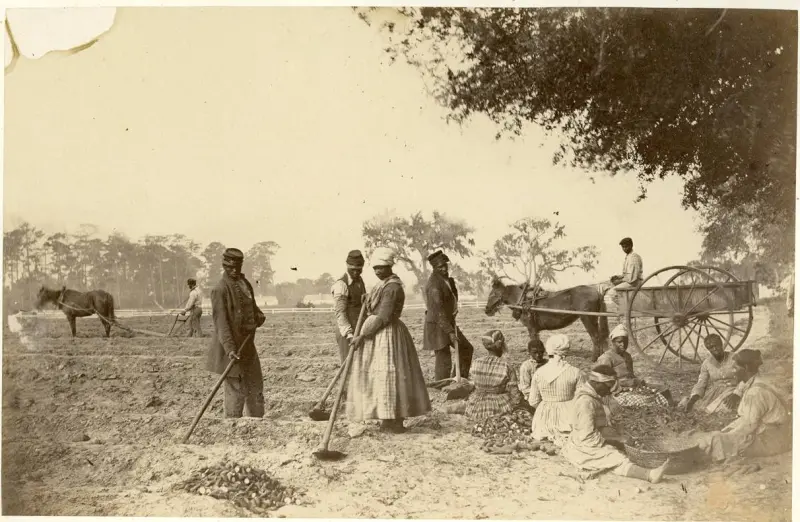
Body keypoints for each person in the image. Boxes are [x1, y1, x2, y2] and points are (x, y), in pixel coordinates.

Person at [347, 247, 431, 433]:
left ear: (390, 266)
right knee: (380, 378)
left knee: (391, 376)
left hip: (387, 333)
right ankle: (386, 418)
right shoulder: (383, 284)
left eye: (382, 267)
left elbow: (383, 316)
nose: (378, 271)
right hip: (377, 334)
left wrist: (362, 335)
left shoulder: (393, 287)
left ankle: (396, 420)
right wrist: (367, 300)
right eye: (375, 268)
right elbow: (376, 305)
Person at [560, 365, 670, 483]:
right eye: (608, 386)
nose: (610, 391)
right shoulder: (586, 402)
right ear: (597, 383)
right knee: (615, 457)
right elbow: (587, 435)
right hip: (583, 444)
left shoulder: (592, 395)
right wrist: (616, 440)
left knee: (618, 449)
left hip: (590, 436)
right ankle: (649, 475)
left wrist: (616, 435)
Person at [694, 349, 792, 462]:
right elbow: (748, 419)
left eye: (735, 368)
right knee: (719, 436)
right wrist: (726, 430)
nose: (732, 371)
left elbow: (748, 427)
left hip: (773, 440)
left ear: (746, 368)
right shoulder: (755, 382)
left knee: (717, 440)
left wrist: (724, 436)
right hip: (775, 433)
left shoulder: (755, 392)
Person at [206, 248, 267, 418]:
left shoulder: (245, 283)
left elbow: (253, 308)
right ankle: (232, 427)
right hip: (231, 349)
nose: (233, 271)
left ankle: (256, 423)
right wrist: (230, 349)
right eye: (229, 268)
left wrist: (259, 316)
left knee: (255, 385)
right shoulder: (220, 289)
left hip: (248, 345)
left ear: (241, 266)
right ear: (224, 266)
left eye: (236, 267)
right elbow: (221, 323)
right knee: (236, 389)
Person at [423, 249, 474, 382]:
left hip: (447, 322)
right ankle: (442, 384)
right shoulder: (433, 285)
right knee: (443, 357)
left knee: (466, 349)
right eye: (440, 267)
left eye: (445, 265)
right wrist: (450, 332)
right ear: (434, 269)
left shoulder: (448, 281)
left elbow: (452, 298)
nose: (444, 269)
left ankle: (459, 379)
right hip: (437, 325)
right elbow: (438, 311)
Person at [597, 324, 671, 408]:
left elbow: (630, 375)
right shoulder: (606, 358)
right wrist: (626, 384)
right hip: (616, 393)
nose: (623, 344)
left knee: (664, 389)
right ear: (612, 342)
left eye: (625, 342)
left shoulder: (627, 356)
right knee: (646, 400)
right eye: (619, 342)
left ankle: (673, 408)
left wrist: (638, 381)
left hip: (632, 387)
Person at [528, 334, 585, 444]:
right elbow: (582, 400)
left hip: (543, 421)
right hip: (568, 419)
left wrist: (548, 405)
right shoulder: (575, 372)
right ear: (566, 351)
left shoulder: (539, 373)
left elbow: (533, 401)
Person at [464, 330, 523, 421]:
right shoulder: (506, 365)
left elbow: (474, 384)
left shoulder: (476, 362)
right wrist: (518, 404)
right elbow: (514, 393)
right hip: (498, 406)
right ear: (500, 345)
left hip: (476, 405)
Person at [681, 334, 742, 414]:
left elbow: (746, 378)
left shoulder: (735, 358)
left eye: (717, 346)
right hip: (715, 393)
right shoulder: (707, 363)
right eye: (711, 348)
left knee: (728, 409)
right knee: (695, 406)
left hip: (733, 390)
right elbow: (701, 382)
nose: (715, 349)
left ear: (721, 344)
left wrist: (737, 393)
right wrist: (694, 398)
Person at [331, 250, 367, 362]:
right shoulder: (341, 285)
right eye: (353, 269)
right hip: (347, 332)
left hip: (359, 330)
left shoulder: (360, 281)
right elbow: (340, 313)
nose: (356, 272)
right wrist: (349, 334)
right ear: (347, 266)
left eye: (359, 269)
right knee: (348, 365)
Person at [610, 237, 643, 312]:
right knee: (608, 285)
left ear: (631, 246)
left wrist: (620, 280)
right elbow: (627, 273)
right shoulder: (628, 257)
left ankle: (628, 310)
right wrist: (618, 277)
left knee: (612, 293)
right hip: (630, 281)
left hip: (634, 283)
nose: (624, 249)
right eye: (623, 247)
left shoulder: (634, 257)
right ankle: (626, 308)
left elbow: (632, 277)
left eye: (626, 246)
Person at [518, 338, 547, 412]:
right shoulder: (526, 366)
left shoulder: (548, 363)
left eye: (541, 352)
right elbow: (525, 388)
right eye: (535, 352)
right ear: (529, 352)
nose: (538, 355)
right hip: (533, 398)